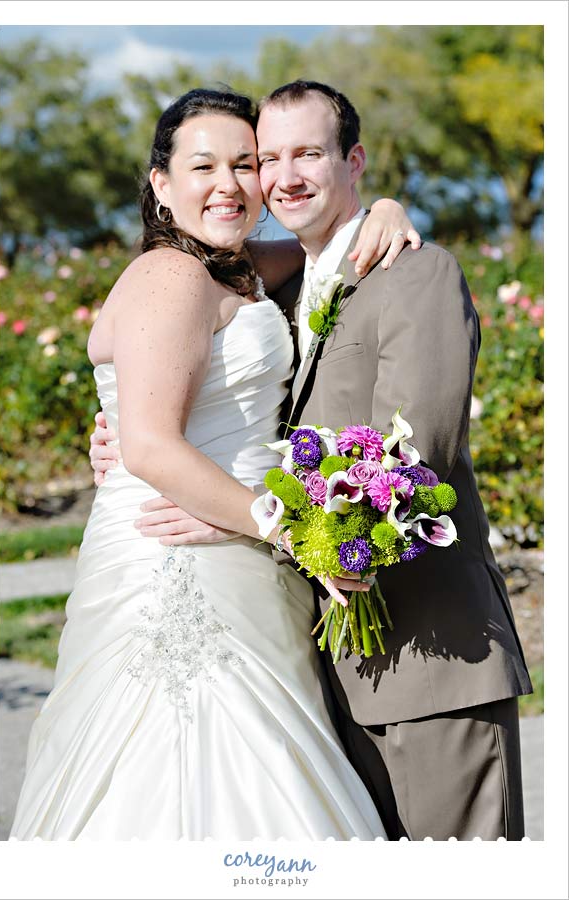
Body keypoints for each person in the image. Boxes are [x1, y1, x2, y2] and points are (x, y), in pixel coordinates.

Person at [97, 81, 534, 841]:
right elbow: (172, 406)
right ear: (161, 185)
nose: (277, 177)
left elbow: (407, 463)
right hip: (323, 663)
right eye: (270, 158)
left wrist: (251, 517)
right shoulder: (281, 280)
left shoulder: (406, 269)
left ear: (353, 160)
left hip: (430, 658)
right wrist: (158, 457)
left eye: (306, 154)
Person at [10, 87, 417, 840]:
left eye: (246, 163)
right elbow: (152, 447)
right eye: (204, 166)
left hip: (236, 552)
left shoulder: (236, 267)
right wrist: (293, 531)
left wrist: (382, 207)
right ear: (162, 184)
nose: (230, 184)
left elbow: (318, 242)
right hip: (178, 560)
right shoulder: (171, 276)